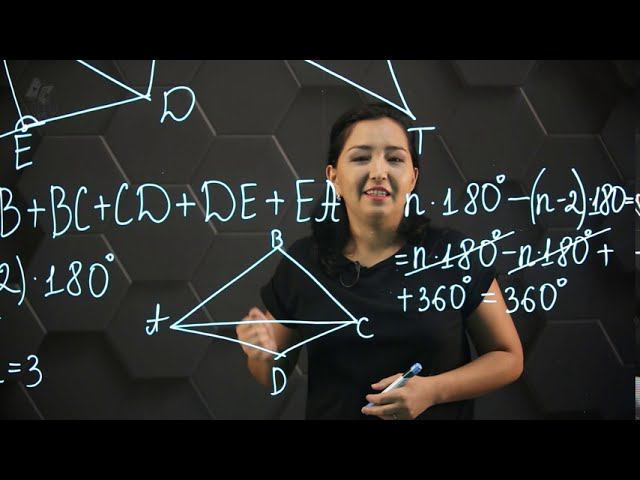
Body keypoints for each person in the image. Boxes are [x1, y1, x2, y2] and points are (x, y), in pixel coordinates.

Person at [236, 102, 523, 420]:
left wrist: (433, 391)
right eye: (361, 158)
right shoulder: (304, 262)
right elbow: (271, 376)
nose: (378, 172)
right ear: (334, 177)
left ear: (412, 178)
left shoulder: (454, 253)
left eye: (395, 159)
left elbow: (508, 356)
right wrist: (260, 354)